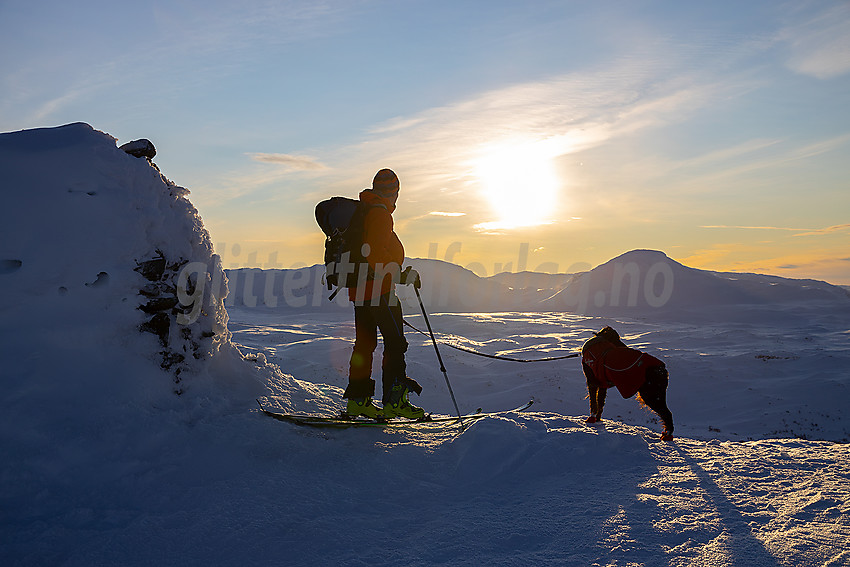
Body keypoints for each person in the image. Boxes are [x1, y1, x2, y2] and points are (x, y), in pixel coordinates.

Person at [343, 168, 425, 419]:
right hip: (380, 290)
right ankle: (395, 402)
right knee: (396, 343)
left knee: (365, 344)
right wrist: (400, 275)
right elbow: (375, 254)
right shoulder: (380, 215)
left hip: (360, 289)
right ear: (394, 192)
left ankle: (358, 400)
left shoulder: (366, 211)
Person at [581, 326, 674, 439]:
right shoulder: (609, 351)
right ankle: (669, 431)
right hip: (656, 367)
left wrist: (594, 415)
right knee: (659, 404)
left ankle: (594, 415)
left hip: (650, 370)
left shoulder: (592, 356)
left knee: (654, 402)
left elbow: (594, 385)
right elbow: (601, 384)